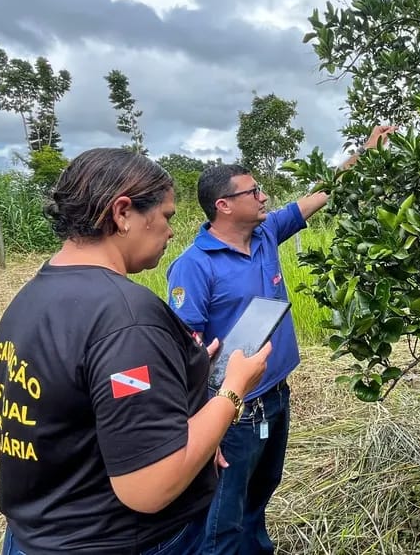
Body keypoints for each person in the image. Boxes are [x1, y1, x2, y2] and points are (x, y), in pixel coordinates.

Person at [0, 148, 270, 555]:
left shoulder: (31, 298)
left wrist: (179, 373)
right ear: (123, 213)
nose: (171, 232)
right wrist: (233, 388)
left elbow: (81, 404)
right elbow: (150, 486)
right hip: (120, 540)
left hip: (35, 536)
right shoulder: (124, 314)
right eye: (167, 216)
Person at [166, 125, 396, 554]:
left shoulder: (267, 232)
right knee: (221, 519)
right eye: (252, 192)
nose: (263, 197)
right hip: (232, 411)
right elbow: (185, 349)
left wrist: (363, 155)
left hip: (275, 396)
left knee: (259, 498)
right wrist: (203, 427)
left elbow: (322, 193)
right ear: (224, 206)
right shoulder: (193, 266)